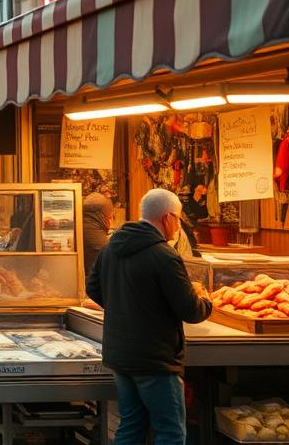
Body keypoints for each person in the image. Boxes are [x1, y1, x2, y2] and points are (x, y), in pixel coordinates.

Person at [87, 188, 212, 445]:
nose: (177, 226)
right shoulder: (164, 256)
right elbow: (191, 310)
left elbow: (93, 288)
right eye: (177, 219)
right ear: (167, 218)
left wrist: (122, 307)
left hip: (120, 356)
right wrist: (207, 302)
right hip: (155, 360)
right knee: (171, 432)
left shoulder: (112, 248)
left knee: (131, 426)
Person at [82, 190, 113, 279]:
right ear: (101, 215)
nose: (110, 219)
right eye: (109, 215)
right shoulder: (100, 243)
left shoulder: (85, 227)